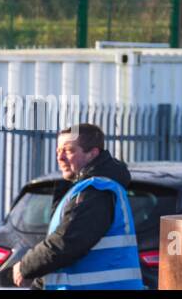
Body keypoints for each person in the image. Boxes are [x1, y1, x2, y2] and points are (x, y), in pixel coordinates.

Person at [12, 124, 142, 290]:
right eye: (58, 151)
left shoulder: (97, 190)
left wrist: (26, 267)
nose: (60, 158)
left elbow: (67, 242)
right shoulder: (84, 189)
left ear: (92, 154)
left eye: (68, 150)